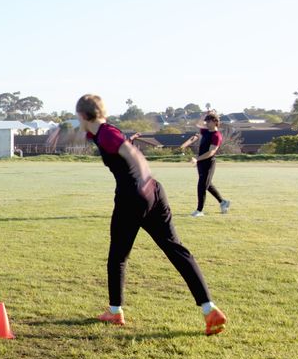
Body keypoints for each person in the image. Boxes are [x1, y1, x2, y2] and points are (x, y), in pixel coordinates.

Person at [54, 95, 226, 335]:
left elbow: (134, 155)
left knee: (118, 256)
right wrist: (64, 134)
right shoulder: (101, 131)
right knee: (175, 248)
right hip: (155, 192)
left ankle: (115, 312)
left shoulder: (107, 134)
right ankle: (209, 308)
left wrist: (141, 181)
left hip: (133, 196)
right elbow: (86, 136)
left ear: (82, 115)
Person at [179, 112, 230, 217]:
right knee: (208, 185)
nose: (206, 123)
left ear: (215, 122)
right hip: (201, 163)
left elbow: (211, 152)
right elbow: (198, 124)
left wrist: (197, 159)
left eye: (208, 121)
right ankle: (223, 202)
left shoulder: (217, 136)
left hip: (209, 163)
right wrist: (203, 115)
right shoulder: (206, 131)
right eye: (206, 121)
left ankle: (199, 211)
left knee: (202, 186)